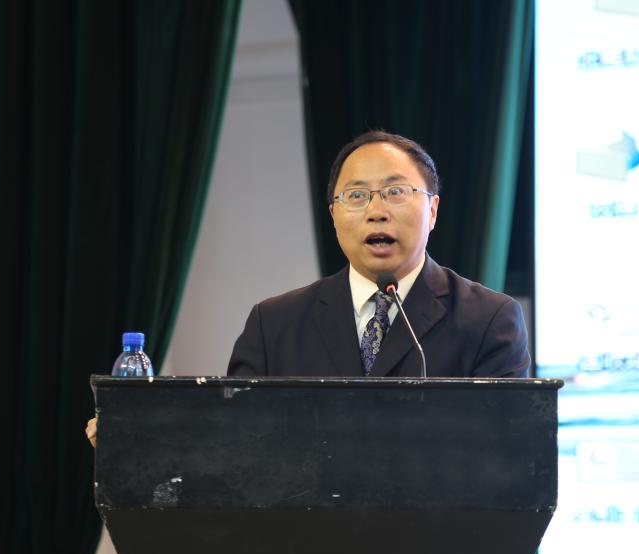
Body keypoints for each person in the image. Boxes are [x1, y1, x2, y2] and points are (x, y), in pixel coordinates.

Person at [86, 131, 528, 446]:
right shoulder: (275, 324)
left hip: (438, 548)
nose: (376, 211)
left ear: (432, 210)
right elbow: (230, 435)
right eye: (356, 196)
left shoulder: (488, 319)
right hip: (305, 549)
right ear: (333, 216)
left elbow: (508, 449)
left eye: (395, 192)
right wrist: (144, 433)